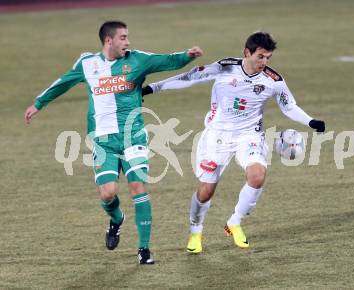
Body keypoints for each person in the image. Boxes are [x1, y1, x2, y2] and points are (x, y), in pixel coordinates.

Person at [24, 21, 203, 264]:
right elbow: (63, 81)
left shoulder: (137, 60)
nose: (127, 42)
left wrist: (187, 56)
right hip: (103, 140)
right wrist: (39, 103)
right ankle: (117, 220)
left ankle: (144, 249)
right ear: (109, 40)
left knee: (138, 187)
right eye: (123, 37)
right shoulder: (88, 64)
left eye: (127, 37)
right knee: (108, 193)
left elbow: (166, 60)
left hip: (133, 136)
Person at [141, 32, 325, 253]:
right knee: (207, 191)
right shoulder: (225, 67)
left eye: (268, 57)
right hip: (217, 136)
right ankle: (196, 231)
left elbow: (289, 106)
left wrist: (310, 121)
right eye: (260, 57)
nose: (264, 62)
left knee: (257, 176)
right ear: (247, 52)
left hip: (249, 136)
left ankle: (234, 222)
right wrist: (153, 88)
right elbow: (190, 77)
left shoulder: (273, 80)